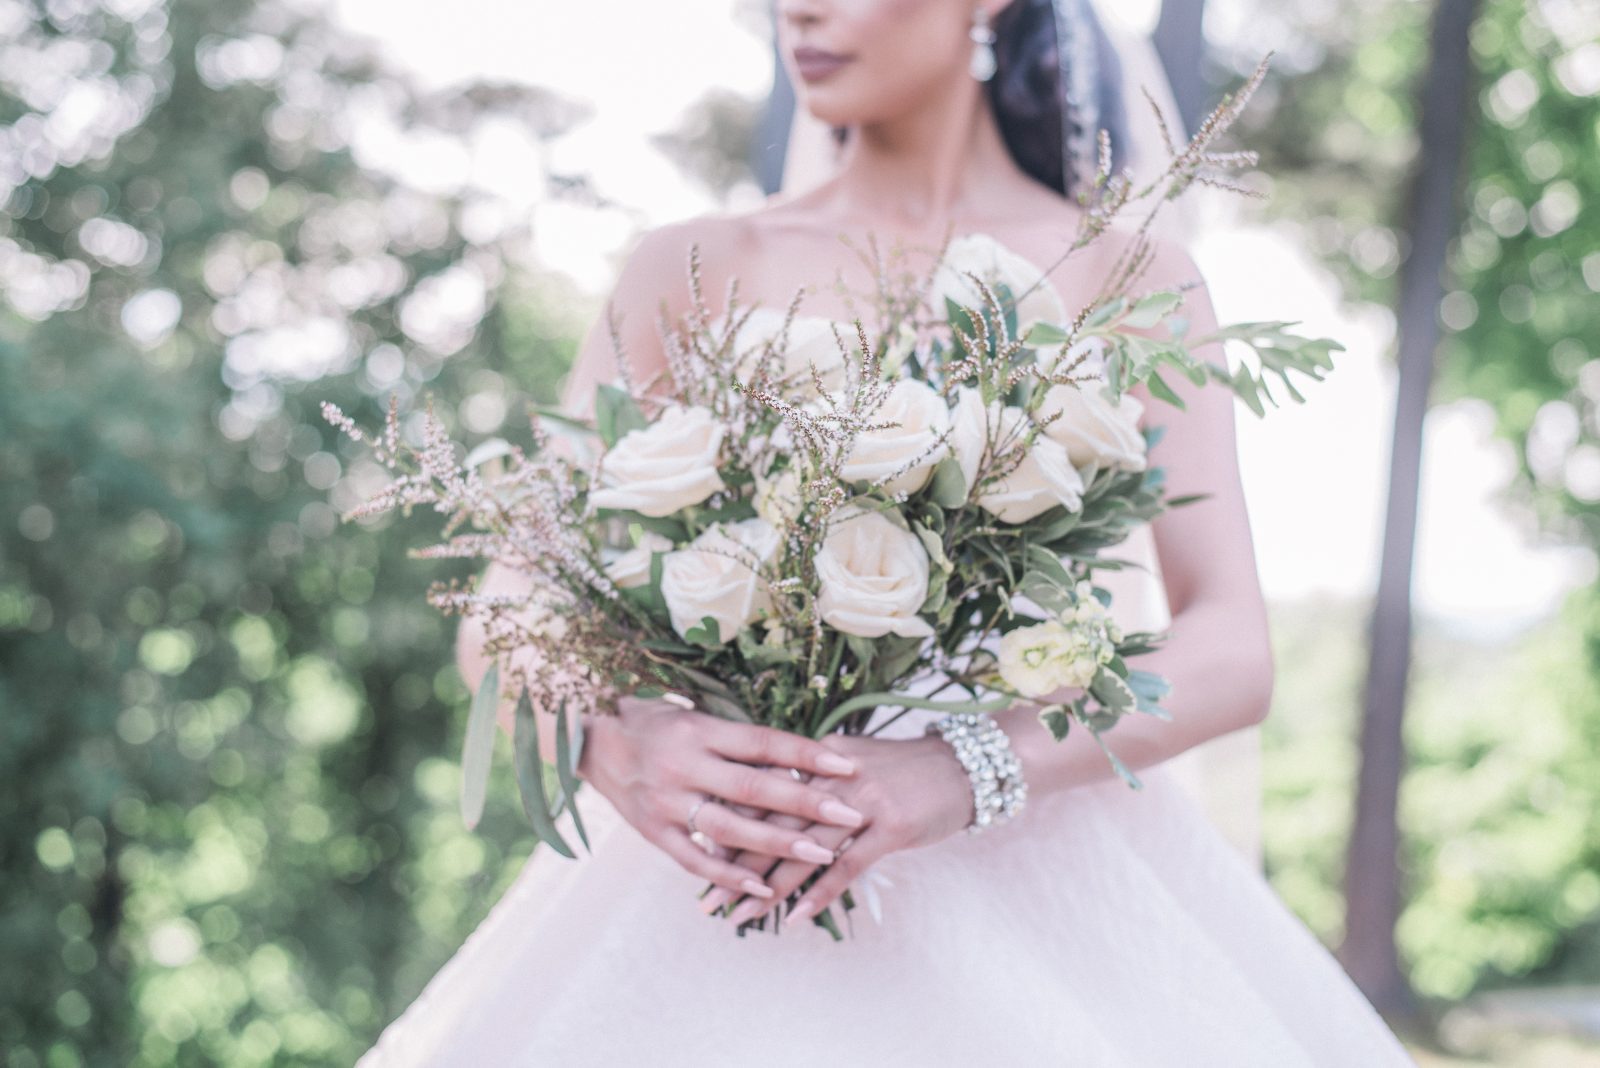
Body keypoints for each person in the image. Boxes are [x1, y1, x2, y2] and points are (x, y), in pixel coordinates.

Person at [358, 1, 1417, 1064]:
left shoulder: (1128, 280)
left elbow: (1231, 648)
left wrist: (959, 770)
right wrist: (617, 741)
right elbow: (507, 598)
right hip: (719, 882)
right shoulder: (688, 268)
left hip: (1042, 880)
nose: (801, 9)